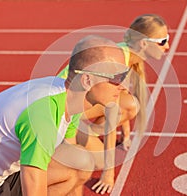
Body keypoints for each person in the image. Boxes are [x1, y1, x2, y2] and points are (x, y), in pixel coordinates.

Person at [0, 35, 130, 196]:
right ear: (87, 80)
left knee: (79, 163)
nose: (124, 86)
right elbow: (34, 188)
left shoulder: (71, 99)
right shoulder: (41, 116)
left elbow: (71, 154)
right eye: (117, 78)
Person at [57, 14, 170, 194]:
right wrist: (108, 173)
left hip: (74, 104)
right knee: (98, 161)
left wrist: (125, 136)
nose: (167, 46)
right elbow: (112, 115)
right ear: (143, 44)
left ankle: (81, 136)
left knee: (129, 104)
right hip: (61, 108)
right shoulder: (119, 61)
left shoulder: (126, 53)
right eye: (163, 41)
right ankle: (67, 140)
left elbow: (118, 98)